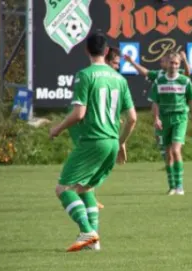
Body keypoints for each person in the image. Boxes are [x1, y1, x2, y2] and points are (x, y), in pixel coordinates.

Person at [49, 33, 137, 251]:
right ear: (106, 52)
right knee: (86, 188)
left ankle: (87, 231)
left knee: (63, 188)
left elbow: (79, 114)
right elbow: (133, 118)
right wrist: (122, 142)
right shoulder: (120, 79)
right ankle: (93, 242)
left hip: (93, 141)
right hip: (112, 142)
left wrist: (57, 129)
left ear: (86, 51)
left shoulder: (85, 75)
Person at [66, 46, 121, 211]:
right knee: (92, 158)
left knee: (95, 159)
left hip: (93, 126)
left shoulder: (109, 78)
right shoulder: (96, 77)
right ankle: (82, 192)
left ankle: (86, 192)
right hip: (84, 125)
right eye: (115, 63)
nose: (117, 67)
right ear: (106, 59)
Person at [148, 52, 192, 195]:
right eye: (171, 63)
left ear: (179, 65)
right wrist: (156, 119)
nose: (174, 66)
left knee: (176, 151)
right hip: (165, 120)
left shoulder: (185, 81)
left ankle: (180, 186)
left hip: (180, 118)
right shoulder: (159, 81)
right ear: (166, 64)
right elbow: (155, 102)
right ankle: (172, 186)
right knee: (168, 155)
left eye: (177, 63)